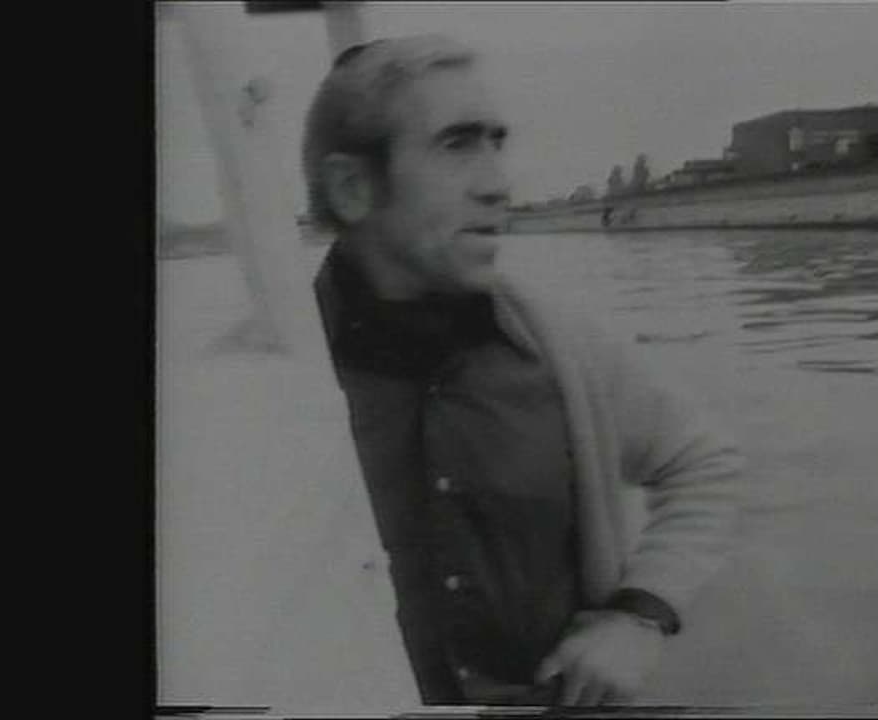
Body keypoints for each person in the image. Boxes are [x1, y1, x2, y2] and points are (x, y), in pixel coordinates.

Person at [301, 35, 745, 707]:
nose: (499, 184)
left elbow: (704, 465)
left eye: (496, 143)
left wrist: (640, 614)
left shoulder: (564, 347)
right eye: (457, 145)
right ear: (352, 187)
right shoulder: (259, 389)